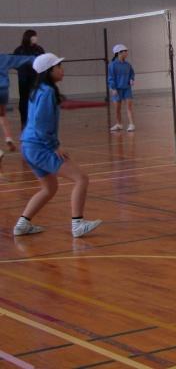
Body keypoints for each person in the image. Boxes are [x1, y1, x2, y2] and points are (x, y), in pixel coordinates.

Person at [13, 53, 102, 237]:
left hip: (28, 146)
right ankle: (77, 224)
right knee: (81, 178)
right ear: (49, 71)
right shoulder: (47, 92)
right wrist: (54, 145)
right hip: (40, 146)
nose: (62, 69)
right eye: (58, 66)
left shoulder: (39, 90)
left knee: (49, 188)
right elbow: (41, 124)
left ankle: (22, 225)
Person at [0, 53, 37, 156]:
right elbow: (21, 59)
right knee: (2, 114)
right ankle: (8, 138)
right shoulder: (3, 58)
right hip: (3, 91)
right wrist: (36, 59)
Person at [13, 29, 45, 129]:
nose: (35, 38)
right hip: (23, 80)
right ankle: (24, 123)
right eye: (33, 36)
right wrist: (23, 68)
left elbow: (43, 62)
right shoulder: (19, 50)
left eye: (36, 36)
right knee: (24, 102)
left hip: (36, 80)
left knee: (36, 101)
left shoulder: (39, 49)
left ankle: (36, 123)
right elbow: (14, 62)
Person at [108, 44, 135, 132]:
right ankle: (119, 124)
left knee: (129, 107)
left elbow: (132, 73)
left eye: (126, 51)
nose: (126, 53)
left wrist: (131, 79)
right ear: (119, 53)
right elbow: (111, 78)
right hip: (117, 89)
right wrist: (113, 88)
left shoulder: (128, 65)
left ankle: (131, 124)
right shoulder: (112, 65)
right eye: (125, 51)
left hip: (127, 89)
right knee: (117, 109)